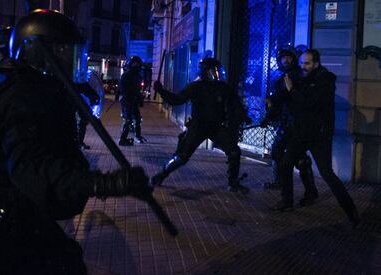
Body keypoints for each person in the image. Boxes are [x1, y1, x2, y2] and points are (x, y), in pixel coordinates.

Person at [0, 10, 151, 275]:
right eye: (64, 51)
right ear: (39, 52)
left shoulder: (30, 87)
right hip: (4, 233)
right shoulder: (20, 96)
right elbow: (34, 169)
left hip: (21, 219)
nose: (69, 59)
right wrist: (108, 183)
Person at [275, 49, 360, 226]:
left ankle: (351, 211)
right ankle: (287, 201)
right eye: (302, 63)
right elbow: (293, 100)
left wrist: (292, 91)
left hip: (318, 134)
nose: (303, 66)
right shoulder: (304, 78)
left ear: (316, 63)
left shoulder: (325, 80)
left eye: (307, 63)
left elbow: (308, 103)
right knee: (285, 163)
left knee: (327, 173)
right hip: (301, 132)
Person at [152, 58, 251, 193]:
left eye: (218, 71)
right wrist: (161, 91)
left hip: (216, 127)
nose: (217, 74)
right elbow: (177, 99)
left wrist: (244, 117)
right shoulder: (195, 87)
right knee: (182, 157)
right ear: (205, 71)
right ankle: (161, 175)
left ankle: (233, 183)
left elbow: (235, 103)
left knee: (234, 151)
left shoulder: (223, 87)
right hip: (198, 127)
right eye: (213, 71)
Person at [261, 47, 318, 206]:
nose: (285, 61)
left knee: (298, 159)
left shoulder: (297, 77)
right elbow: (279, 102)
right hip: (287, 123)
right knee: (278, 152)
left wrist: (269, 115)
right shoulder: (283, 77)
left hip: (298, 124)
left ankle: (309, 191)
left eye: (288, 58)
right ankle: (281, 182)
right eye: (283, 58)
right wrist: (269, 116)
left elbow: (285, 99)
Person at [118, 56, 147, 146]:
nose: (136, 65)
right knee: (128, 120)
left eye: (137, 64)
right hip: (127, 101)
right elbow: (122, 88)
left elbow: (138, 90)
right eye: (134, 63)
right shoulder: (126, 75)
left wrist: (140, 99)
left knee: (137, 119)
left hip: (134, 101)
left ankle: (137, 136)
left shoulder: (138, 76)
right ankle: (122, 139)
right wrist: (128, 95)